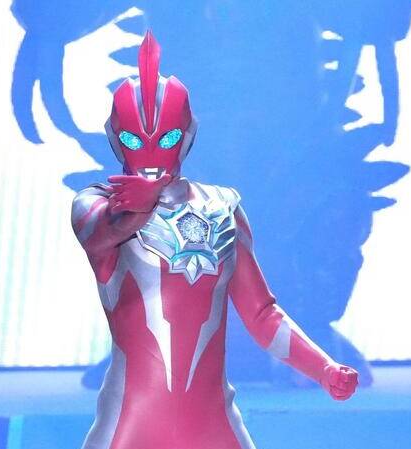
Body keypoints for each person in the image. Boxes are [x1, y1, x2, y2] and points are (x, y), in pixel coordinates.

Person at [71, 31, 358, 449]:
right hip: (129, 423)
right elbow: (102, 232)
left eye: (166, 138)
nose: (150, 153)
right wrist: (136, 209)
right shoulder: (95, 203)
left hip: (213, 422)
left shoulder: (222, 207)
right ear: (115, 137)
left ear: (187, 134)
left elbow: (262, 315)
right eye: (134, 139)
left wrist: (324, 368)